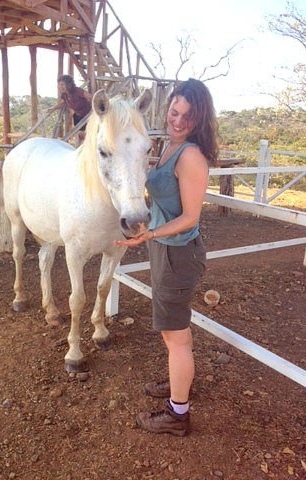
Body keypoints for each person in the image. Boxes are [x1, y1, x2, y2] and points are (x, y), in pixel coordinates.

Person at [114, 78, 218, 436]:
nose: (177, 120)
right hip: (165, 250)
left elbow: (191, 216)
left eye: (187, 116)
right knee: (174, 335)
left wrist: (149, 234)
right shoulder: (168, 146)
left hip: (177, 253)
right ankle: (180, 383)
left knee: (176, 336)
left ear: (199, 120)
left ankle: (177, 415)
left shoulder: (190, 155)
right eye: (174, 111)